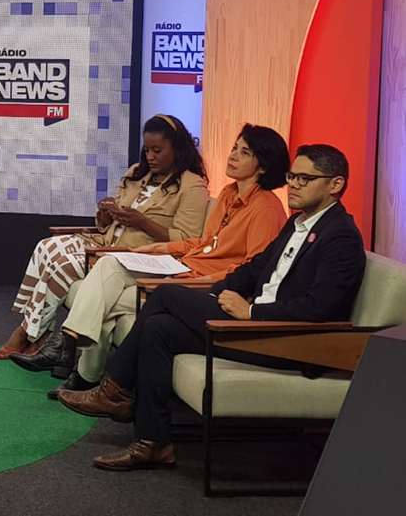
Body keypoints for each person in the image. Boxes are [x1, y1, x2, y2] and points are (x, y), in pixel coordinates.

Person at [57, 144, 366, 471]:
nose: (295, 185)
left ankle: (114, 389)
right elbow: (254, 269)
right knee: (158, 329)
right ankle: (153, 442)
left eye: (306, 179)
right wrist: (214, 295)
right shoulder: (297, 224)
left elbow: (320, 307)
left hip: (282, 339)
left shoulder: (341, 237)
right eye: (292, 177)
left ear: (335, 184)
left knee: (166, 295)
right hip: (252, 326)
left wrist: (251, 313)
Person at [15, 125, 290, 394]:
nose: (232, 156)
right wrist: (159, 249)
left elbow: (253, 271)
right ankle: (72, 353)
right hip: (184, 265)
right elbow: (204, 243)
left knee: (104, 300)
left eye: (244, 152)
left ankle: (78, 366)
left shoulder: (266, 209)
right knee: (110, 264)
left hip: (201, 283)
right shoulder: (230, 193)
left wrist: (206, 278)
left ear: (263, 166)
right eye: (234, 148)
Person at [0, 114, 209, 363]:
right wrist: (106, 214)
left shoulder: (192, 186)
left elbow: (187, 240)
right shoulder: (136, 173)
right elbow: (108, 223)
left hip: (137, 255)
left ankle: (28, 333)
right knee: (46, 247)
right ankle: (38, 334)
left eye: (157, 150)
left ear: (177, 148)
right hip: (104, 242)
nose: (150, 157)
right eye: (147, 150)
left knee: (63, 264)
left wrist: (142, 222)